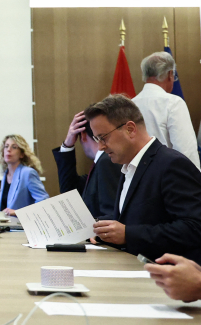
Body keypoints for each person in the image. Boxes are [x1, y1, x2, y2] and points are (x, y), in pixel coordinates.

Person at [86, 94, 201, 262]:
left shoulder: (172, 164)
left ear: (130, 129)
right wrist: (104, 230)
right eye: (97, 139)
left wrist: (128, 234)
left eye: (103, 137)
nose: (100, 147)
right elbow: (140, 218)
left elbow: (195, 227)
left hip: (167, 273)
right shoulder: (129, 167)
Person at [133, 51, 200, 169]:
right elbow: (185, 150)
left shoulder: (130, 104)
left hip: (136, 175)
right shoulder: (173, 103)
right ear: (170, 74)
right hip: (166, 175)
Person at [52, 110, 122, 218]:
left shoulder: (107, 161)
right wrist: (66, 147)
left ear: (83, 134)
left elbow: (111, 213)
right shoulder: (102, 162)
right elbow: (70, 192)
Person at [0, 134, 49, 216]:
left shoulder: (28, 173)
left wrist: (17, 212)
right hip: (5, 222)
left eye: (14, 147)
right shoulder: (6, 174)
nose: (8, 149)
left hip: (21, 222)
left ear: (22, 154)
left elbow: (44, 202)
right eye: (6, 146)